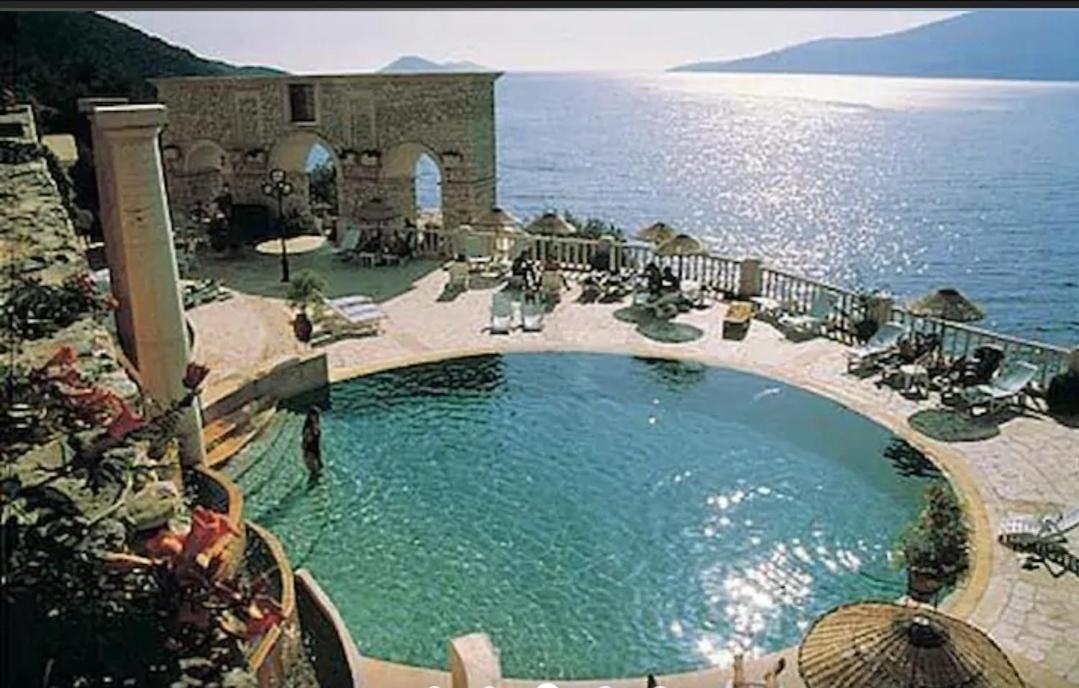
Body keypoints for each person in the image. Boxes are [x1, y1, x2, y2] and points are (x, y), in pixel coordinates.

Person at [301, 407, 323, 485]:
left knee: (317, 469)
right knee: (314, 471)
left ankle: (313, 483)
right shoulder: (309, 428)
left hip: (315, 449)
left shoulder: (316, 425)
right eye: (315, 415)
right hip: (310, 450)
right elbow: (307, 441)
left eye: (317, 416)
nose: (316, 417)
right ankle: (311, 485)